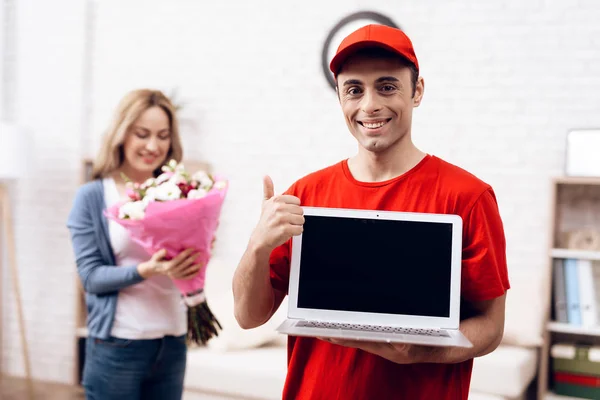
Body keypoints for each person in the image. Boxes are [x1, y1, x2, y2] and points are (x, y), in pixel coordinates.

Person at [232, 24, 510, 400]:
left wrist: (417, 352)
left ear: (418, 92)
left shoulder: (468, 197)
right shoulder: (305, 194)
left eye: (387, 86)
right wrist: (257, 245)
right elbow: (249, 318)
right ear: (340, 98)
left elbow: (490, 328)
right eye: (354, 90)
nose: (369, 106)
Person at [67, 89, 203, 400]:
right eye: (142, 134)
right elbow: (90, 278)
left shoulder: (182, 193)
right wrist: (147, 269)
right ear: (122, 134)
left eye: (163, 135)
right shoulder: (92, 197)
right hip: (118, 343)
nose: (153, 146)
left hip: (172, 339)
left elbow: (189, 268)